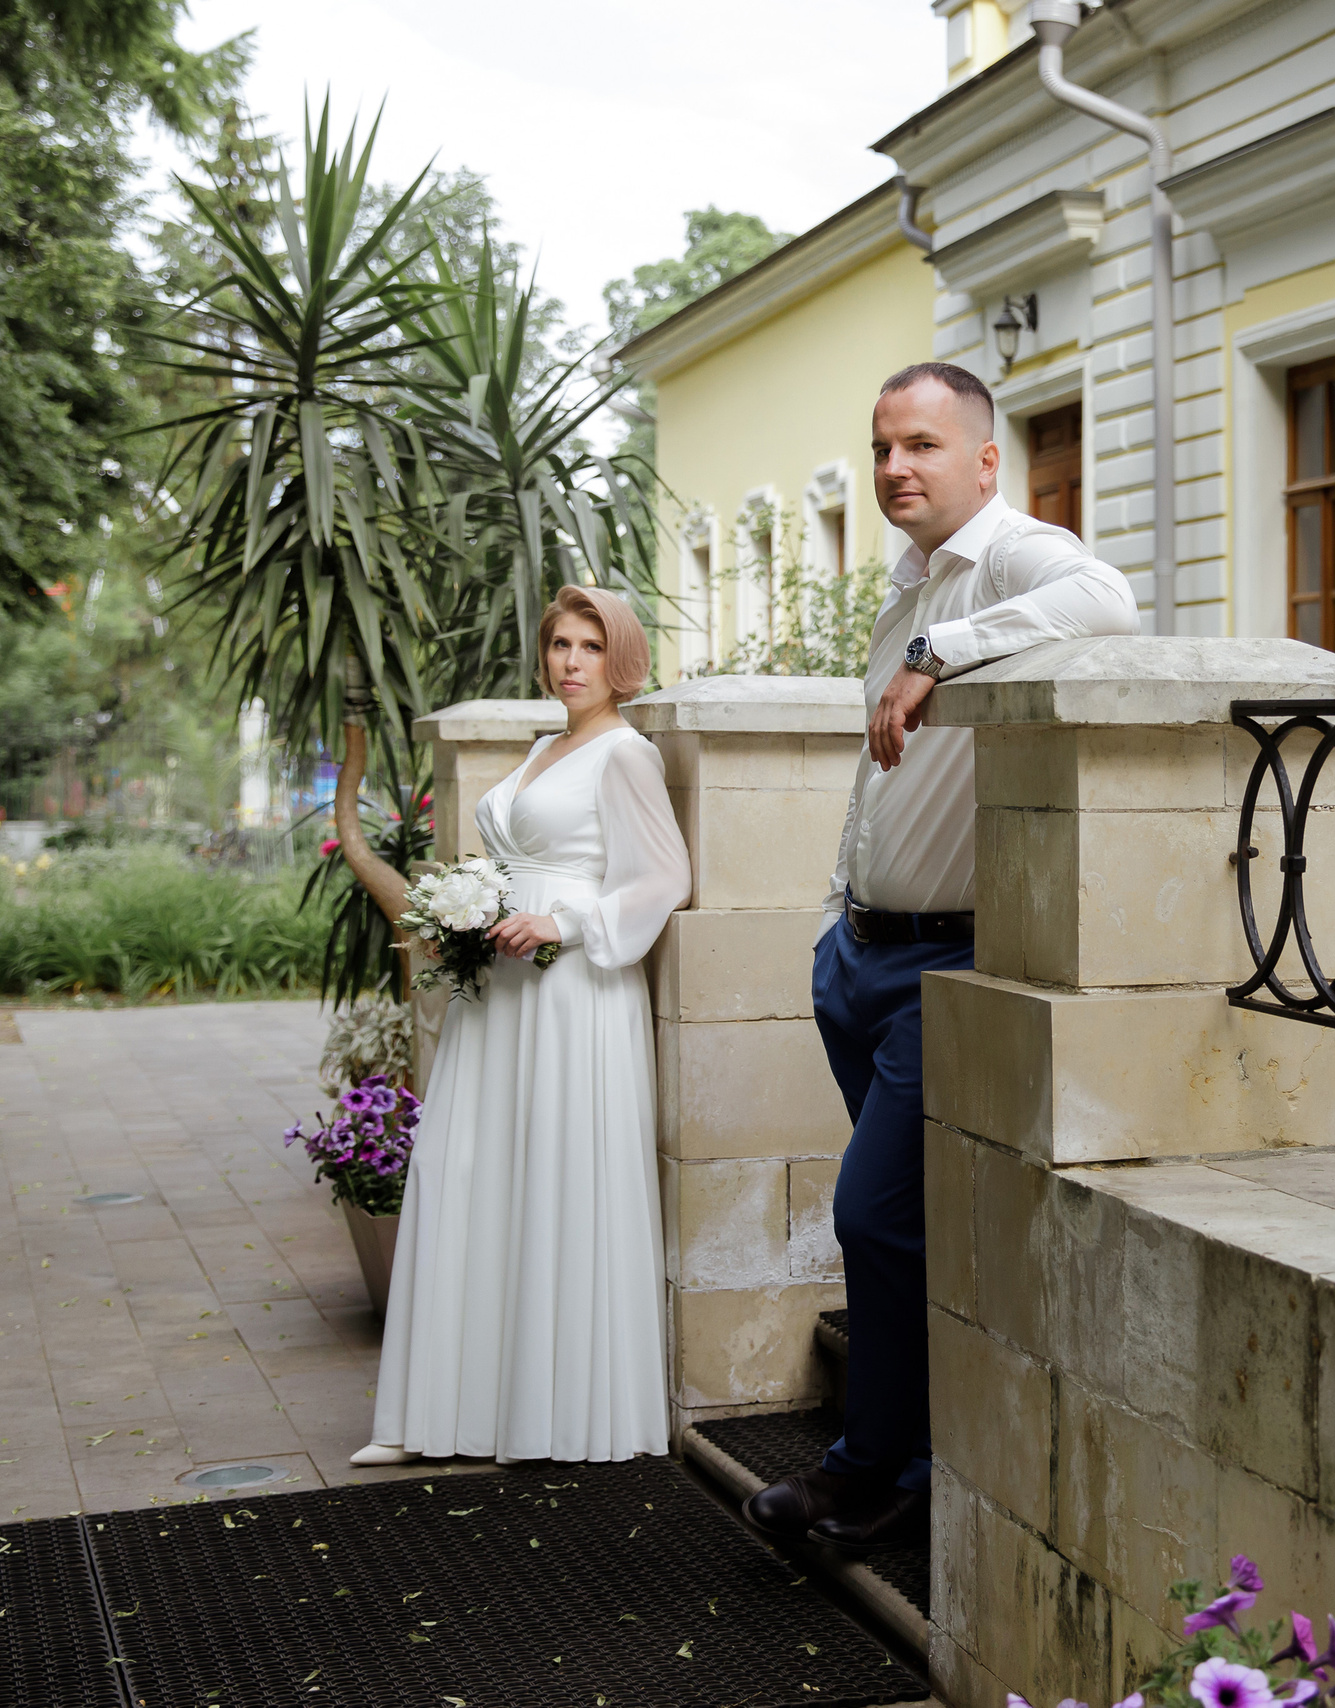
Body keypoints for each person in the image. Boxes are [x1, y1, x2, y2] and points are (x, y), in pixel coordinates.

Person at [741, 362, 1137, 1553]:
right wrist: (834, 921)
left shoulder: (1013, 559)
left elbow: (1110, 605)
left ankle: (865, 1472)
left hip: (943, 967)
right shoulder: (906, 585)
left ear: (983, 459)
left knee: (869, 1214)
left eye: (920, 444)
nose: (894, 469)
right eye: (880, 449)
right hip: (860, 958)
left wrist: (944, 646)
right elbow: (882, 776)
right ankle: (914, 1469)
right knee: (906, 1231)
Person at [352, 584, 691, 1466]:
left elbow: (663, 877)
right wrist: (465, 911)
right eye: (559, 646)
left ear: (619, 659)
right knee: (468, 1165)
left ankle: (558, 1415)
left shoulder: (624, 755)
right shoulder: (546, 745)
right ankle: (437, 1411)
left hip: (572, 995)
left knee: (553, 1175)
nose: (571, 663)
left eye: (589, 646)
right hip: (497, 994)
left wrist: (563, 923)